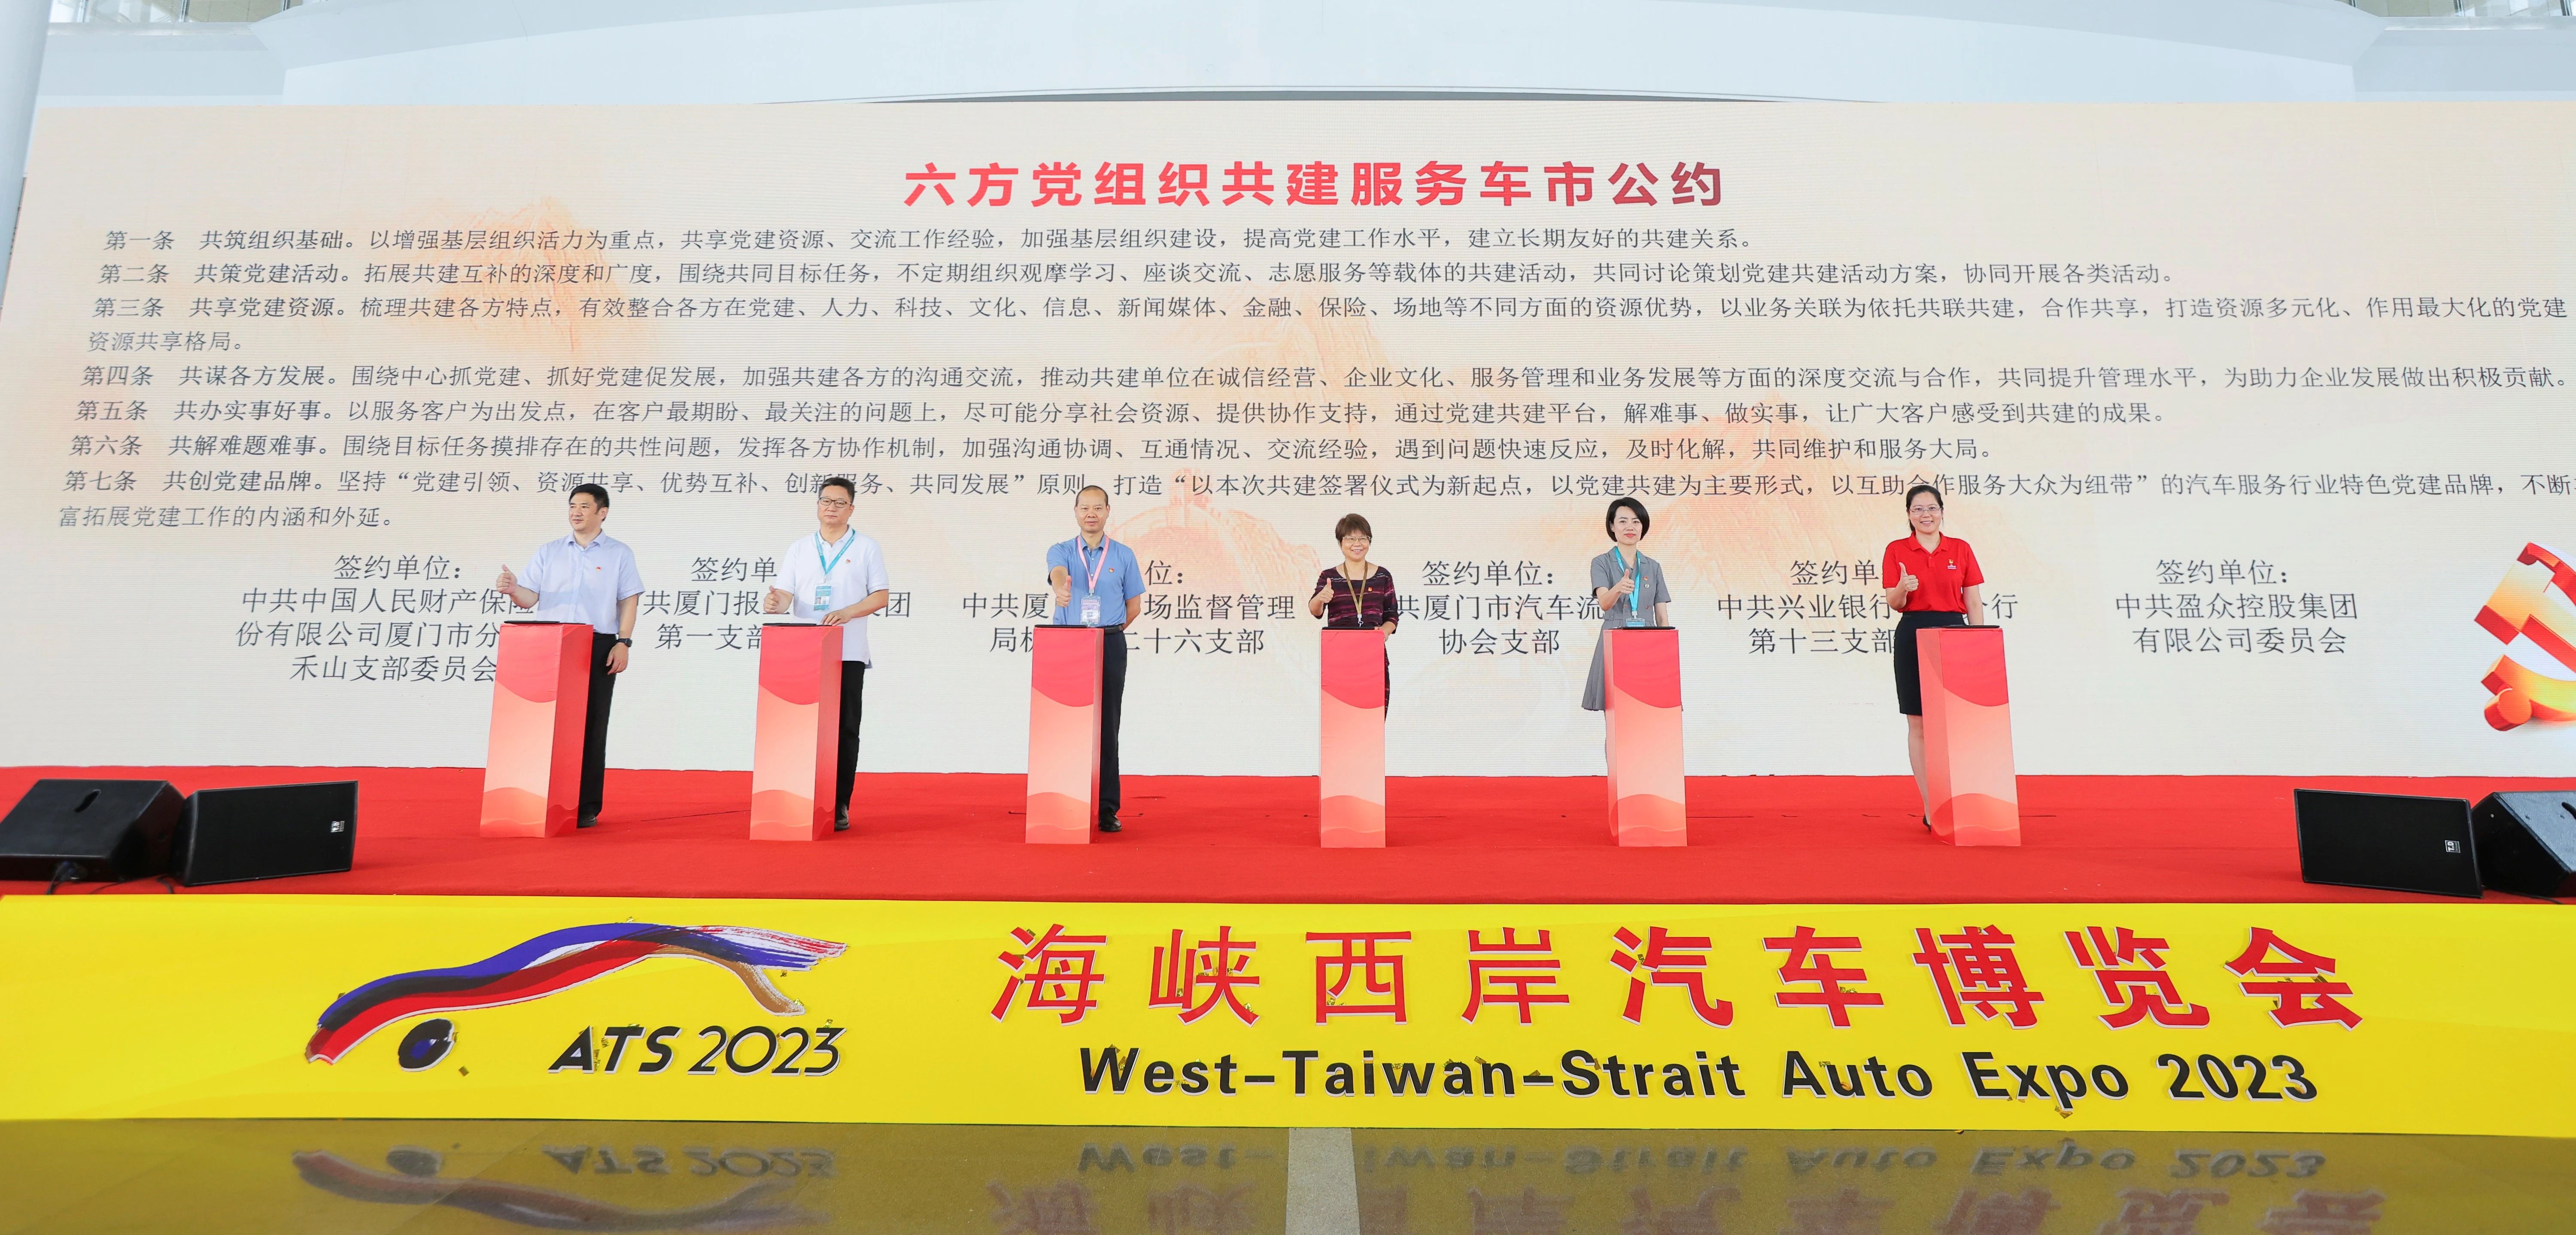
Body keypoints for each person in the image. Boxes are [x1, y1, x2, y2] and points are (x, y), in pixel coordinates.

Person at [496, 484, 642, 830]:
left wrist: (624, 642)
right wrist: (513, 589)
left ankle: (585, 806)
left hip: (597, 643)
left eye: (585, 507)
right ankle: (537, 799)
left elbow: (629, 600)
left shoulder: (619, 554)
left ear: (603, 513)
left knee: (592, 725)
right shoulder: (549, 552)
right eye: (573, 506)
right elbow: (529, 599)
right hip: (550, 643)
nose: (576, 512)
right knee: (544, 723)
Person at [763, 476, 891, 831]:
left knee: (845, 729)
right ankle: (798, 799)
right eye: (826, 501)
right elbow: (786, 596)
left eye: (839, 502)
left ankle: (838, 804)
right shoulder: (800, 549)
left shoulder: (866, 547)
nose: (831, 508)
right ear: (817, 506)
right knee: (799, 726)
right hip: (804, 650)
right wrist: (776, 603)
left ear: (851, 509)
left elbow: (881, 596)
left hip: (847, 651)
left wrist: (848, 612)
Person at [1883, 483, 1986, 828]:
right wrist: (1903, 588)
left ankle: (1965, 798)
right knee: (1919, 723)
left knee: (1959, 721)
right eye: (1918, 509)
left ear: (1942, 511)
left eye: (1932, 508)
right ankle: (1932, 807)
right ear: (1909, 515)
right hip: (1913, 634)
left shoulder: (1961, 548)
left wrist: (1978, 642)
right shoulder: (1897, 550)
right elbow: (1894, 602)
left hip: (1954, 633)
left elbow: (1973, 601)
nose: (1926, 515)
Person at [1046, 486, 1144, 832]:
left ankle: (1106, 808)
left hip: (1109, 643)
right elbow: (1058, 573)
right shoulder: (1061, 550)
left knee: (1107, 726)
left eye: (1098, 508)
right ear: (1076, 512)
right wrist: (1061, 588)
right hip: (1067, 644)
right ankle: (1062, 802)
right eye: (1085, 508)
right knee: (1063, 725)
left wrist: (1108, 632)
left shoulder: (1124, 555)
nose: (1091, 514)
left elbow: (1134, 605)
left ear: (1107, 512)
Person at [1581, 496, 1671, 716]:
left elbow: (1662, 617)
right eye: (1623, 521)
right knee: (1617, 710)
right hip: (1615, 637)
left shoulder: (1653, 567)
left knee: (1648, 708)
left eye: (1636, 522)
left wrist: (1665, 652)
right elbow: (1604, 603)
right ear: (1612, 527)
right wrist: (1619, 588)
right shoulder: (1601, 563)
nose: (1630, 527)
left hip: (1648, 640)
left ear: (1643, 527)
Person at [1307, 513, 1400, 707]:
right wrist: (1321, 598)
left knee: (1372, 717)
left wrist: (1384, 632)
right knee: (1340, 717)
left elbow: (1392, 615)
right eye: (1350, 538)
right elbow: (1315, 611)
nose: (1357, 544)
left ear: (1369, 541)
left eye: (1363, 538)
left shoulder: (1383, 576)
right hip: (1339, 658)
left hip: (1373, 657)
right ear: (1340, 542)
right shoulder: (1329, 577)